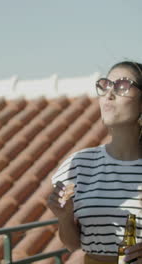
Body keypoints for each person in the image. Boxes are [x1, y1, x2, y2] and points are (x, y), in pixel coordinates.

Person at [48, 61, 142, 264]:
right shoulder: (78, 165)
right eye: (105, 85)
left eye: (123, 86)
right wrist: (64, 218)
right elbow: (73, 245)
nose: (109, 94)